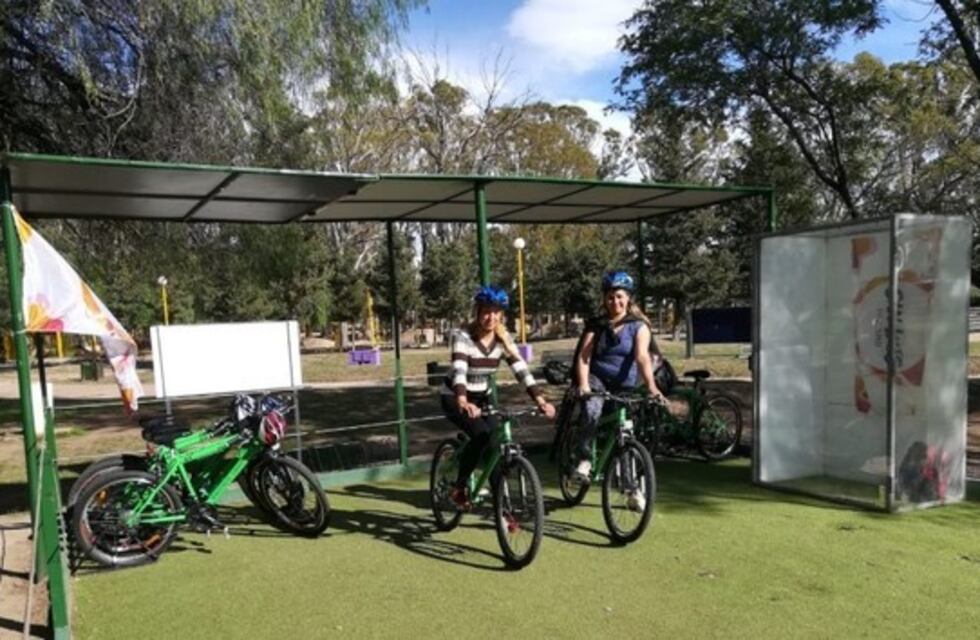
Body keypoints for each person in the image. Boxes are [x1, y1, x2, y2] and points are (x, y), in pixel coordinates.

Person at [441, 285, 556, 508]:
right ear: (477, 312)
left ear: (501, 315)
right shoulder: (462, 336)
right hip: (455, 395)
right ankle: (460, 487)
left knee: (496, 442)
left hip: (483, 398)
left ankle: (500, 505)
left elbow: (521, 371)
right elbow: (460, 370)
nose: (490, 317)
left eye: (495, 312)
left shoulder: (504, 339)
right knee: (481, 436)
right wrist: (463, 400)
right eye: (486, 311)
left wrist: (540, 400)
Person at [573, 270, 666, 480]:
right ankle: (585, 459)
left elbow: (642, 357)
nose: (615, 301)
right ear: (605, 300)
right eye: (610, 297)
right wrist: (584, 384)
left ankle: (628, 482)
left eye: (619, 297)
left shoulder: (638, 325)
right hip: (598, 379)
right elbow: (584, 357)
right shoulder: (596, 325)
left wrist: (651, 386)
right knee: (592, 410)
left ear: (628, 298)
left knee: (626, 430)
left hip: (625, 383)